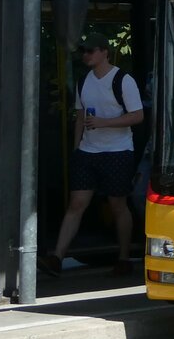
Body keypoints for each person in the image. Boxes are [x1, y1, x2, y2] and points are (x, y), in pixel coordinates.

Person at [39, 32, 144, 277]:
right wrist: (77, 149)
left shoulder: (122, 80)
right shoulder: (84, 81)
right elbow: (80, 117)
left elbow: (137, 116)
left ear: (104, 52)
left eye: (90, 50)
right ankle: (57, 257)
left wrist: (104, 122)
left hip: (118, 151)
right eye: (84, 51)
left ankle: (124, 257)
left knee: (117, 204)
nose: (86, 55)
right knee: (76, 203)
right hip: (88, 152)